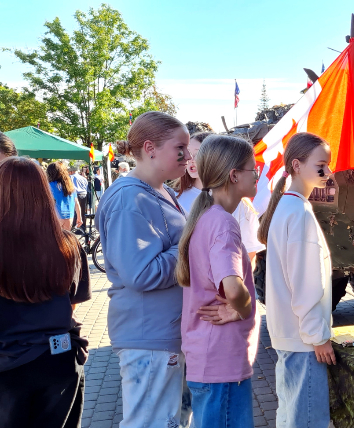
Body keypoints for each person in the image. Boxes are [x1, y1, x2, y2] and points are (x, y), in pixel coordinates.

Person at [96, 111, 193, 428]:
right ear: (150, 148)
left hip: (160, 334)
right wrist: (189, 246)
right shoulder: (131, 198)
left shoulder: (158, 190)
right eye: (180, 146)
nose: (187, 154)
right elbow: (141, 273)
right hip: (149, 337)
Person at [0, 157, 91, 427]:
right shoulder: (68, 244)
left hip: (8, 364)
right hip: (58, 357)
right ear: (44, 190)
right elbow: (72, 302)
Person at [177, 135, 259, 428]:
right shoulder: (223, 223)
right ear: (234, 175)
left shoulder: (208, 217)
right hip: (222, 364)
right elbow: (234, 287)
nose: (258, 174)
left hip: (211, 360)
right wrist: (244, 309)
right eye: (254, 169)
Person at [258, 132, 336, 428]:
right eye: (321, 165)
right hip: (303, 340)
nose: (327, 172)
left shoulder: (287, 207)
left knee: (290, 415)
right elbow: (304, 283)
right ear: (296, 165)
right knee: (306, 420)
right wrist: (318, 337)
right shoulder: (298, 212)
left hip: (290, 335)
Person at [175, 131, 265, 263]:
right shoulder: (175, 197)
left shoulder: (241, 204)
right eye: (188, 153)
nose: (190, 159)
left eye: (198, 153)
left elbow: (249, 256)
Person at [46, 161, 83, 231]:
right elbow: (76, 203)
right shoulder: (70, 186)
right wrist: (79, 217)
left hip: (55, 217)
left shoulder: (49, 186)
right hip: (69, 217)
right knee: (65, 240)